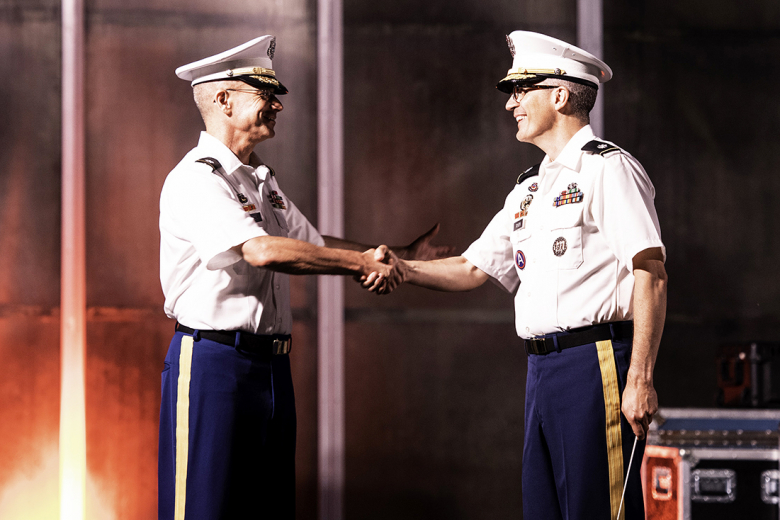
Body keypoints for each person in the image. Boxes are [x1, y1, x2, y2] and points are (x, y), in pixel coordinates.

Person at [369, 31, 667, 520]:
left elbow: (649, 272)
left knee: (595, 509)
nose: (511, 104)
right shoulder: (530, 187)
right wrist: (401, 268)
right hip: (541, 371)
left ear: (560, 95)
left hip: (594, 365)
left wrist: (640, 378)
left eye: (521, 90)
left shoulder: (607, 169)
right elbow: (472, 267)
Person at [158, 35, 450, 520]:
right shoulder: (198, 178)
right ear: (224, 99)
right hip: (214, 365)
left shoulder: (260, 180)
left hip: (270, 368)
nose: (277, 105)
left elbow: (312, 242)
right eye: (264, 93)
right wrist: (363, 266)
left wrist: (397, 254)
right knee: (205, 509)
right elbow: (262, 251)